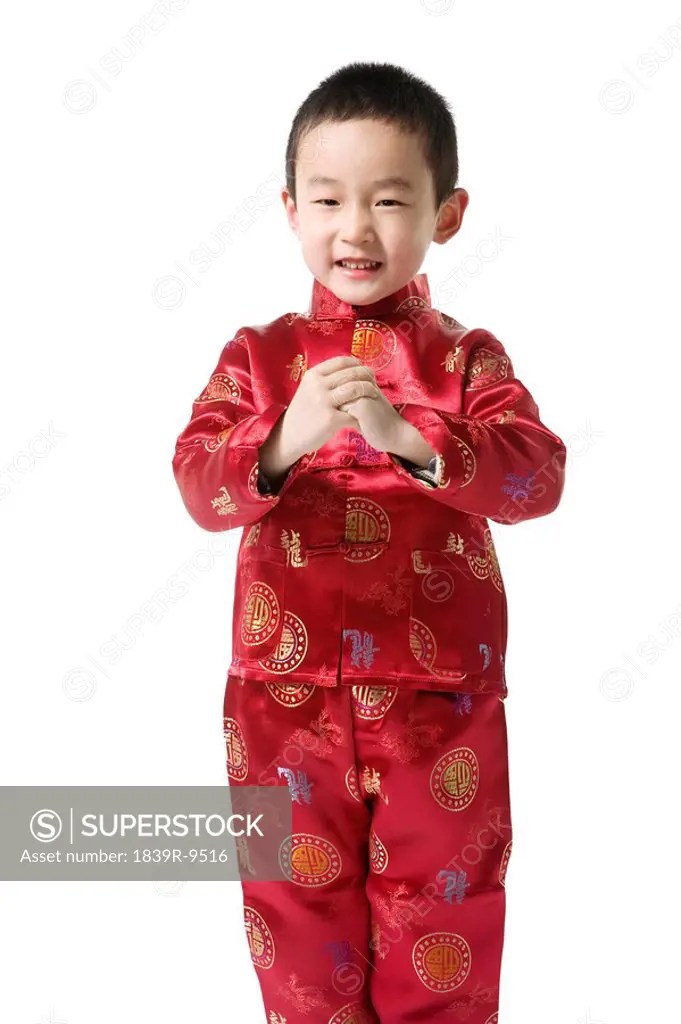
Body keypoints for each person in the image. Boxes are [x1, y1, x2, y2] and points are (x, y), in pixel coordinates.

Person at [172, 61, 566, 1024]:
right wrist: (279, 440)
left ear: (447, 212)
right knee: (295, 923)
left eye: (390, 199)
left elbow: (537, 476)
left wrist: (415, 439)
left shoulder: (466, 360)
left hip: (440, 702)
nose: (356, 228)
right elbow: (197, 485)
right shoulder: (257, 357)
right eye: (329, 199)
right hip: (279, 698)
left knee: (445, 918)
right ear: (291, 209)